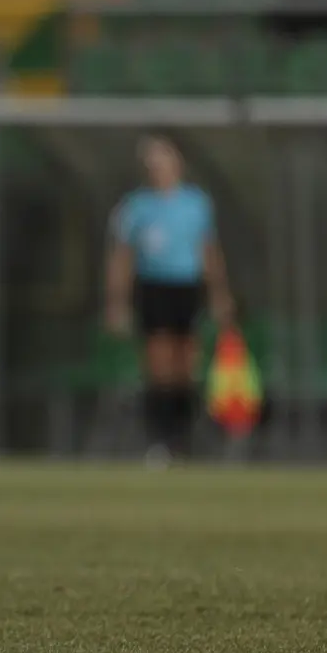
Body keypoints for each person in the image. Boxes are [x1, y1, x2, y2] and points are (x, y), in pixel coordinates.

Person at [105, 135, 234, 466]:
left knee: (187, 364)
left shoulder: (196, 204)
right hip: (154, 287)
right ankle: (159, 439)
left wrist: (219, 294)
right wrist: (117, 301)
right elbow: (122, 256)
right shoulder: (136, 207)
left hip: (186, 287)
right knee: (158, 365)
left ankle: (185, 437)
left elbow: (208, 251)